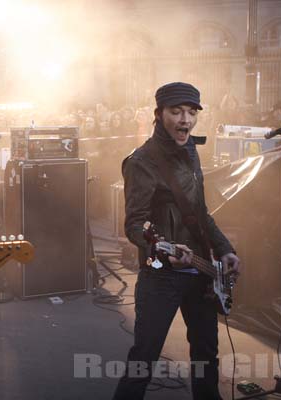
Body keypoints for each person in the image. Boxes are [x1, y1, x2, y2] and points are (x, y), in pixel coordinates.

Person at [112, 82, 240, 400]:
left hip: (201, 271)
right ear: (159, 115)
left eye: (191, 112)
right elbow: (133, 225)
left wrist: (224, 249)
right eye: (177, 112)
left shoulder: (191, 151)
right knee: (144, 357)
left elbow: (201, 213)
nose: (186, 120)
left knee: (206, 357)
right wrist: (160, 248)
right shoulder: (141, 162)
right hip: (161, 276)